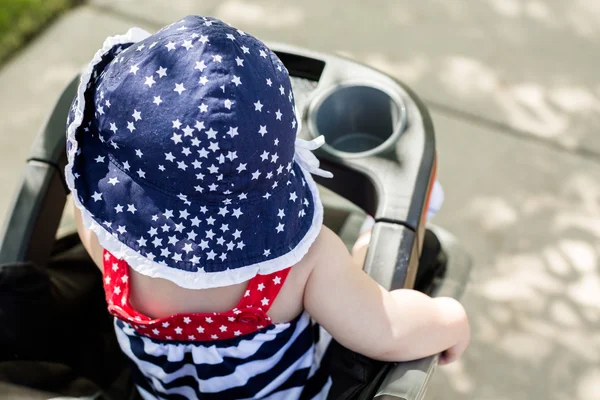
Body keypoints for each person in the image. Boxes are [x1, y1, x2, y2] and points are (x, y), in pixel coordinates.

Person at [66, 15, 469, 400]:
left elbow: (85, 209)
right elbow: (386, 328)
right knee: (360, 291)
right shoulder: (299, 266)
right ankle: (371, 227)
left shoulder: (105, 242)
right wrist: (449, 320)